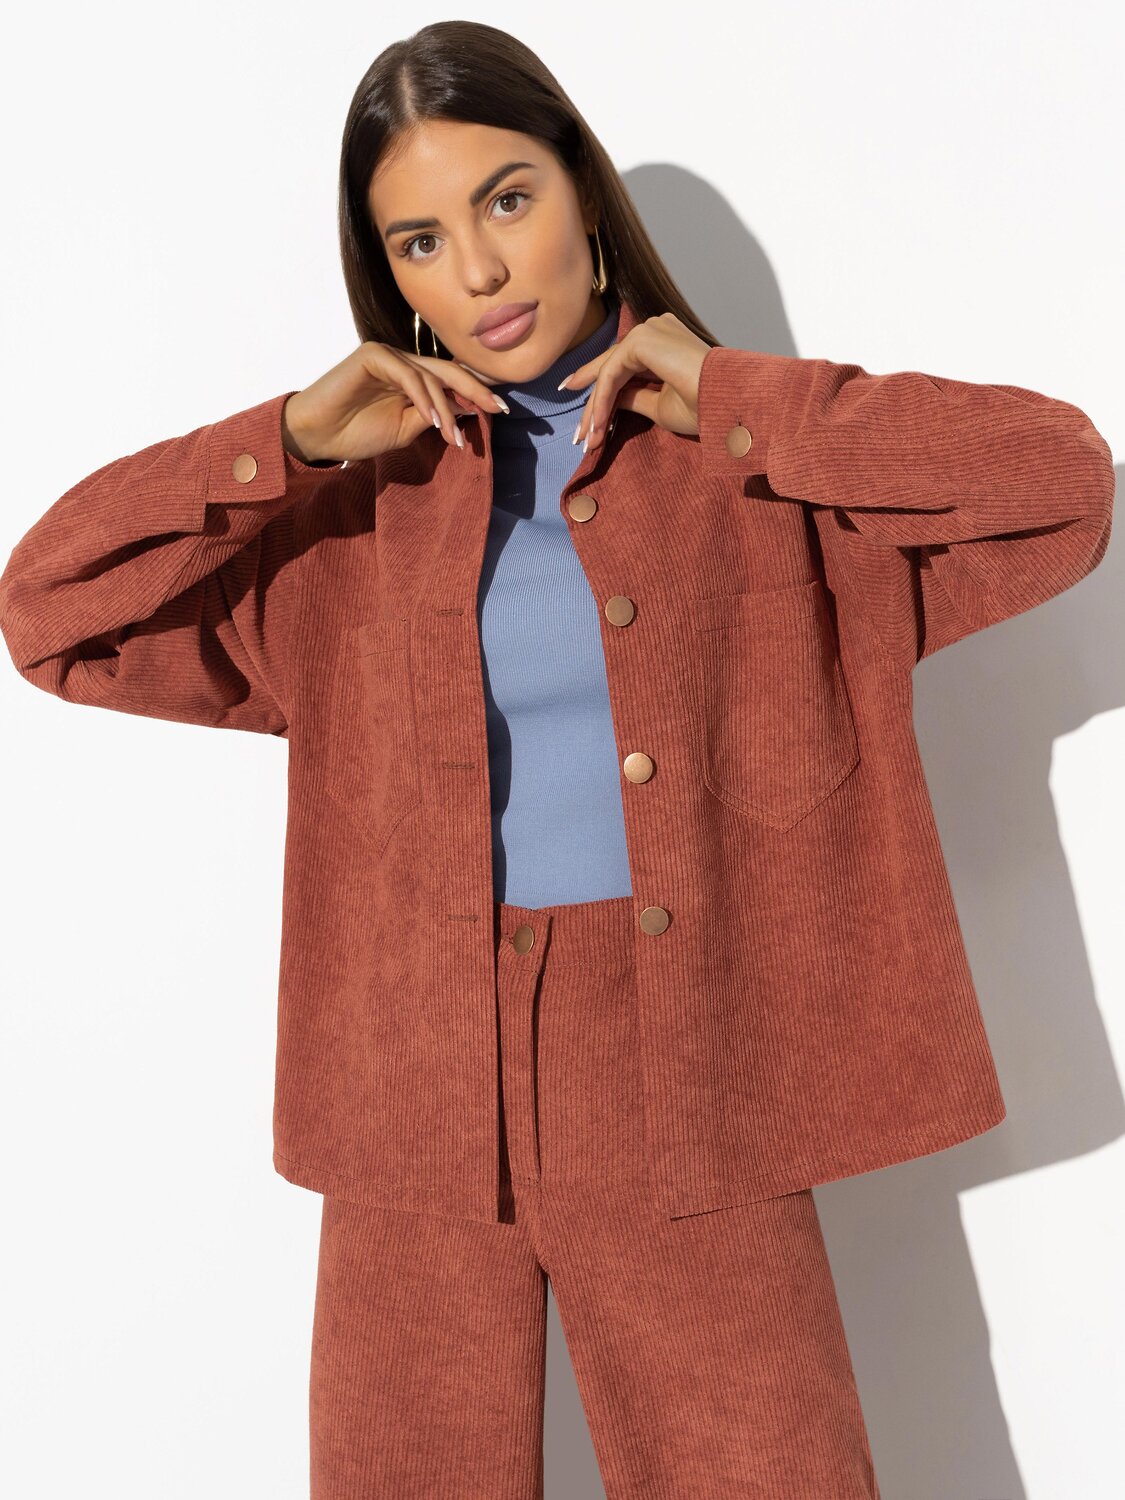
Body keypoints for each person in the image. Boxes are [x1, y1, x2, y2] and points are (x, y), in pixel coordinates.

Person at [0, 19, 1114, 1500]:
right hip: (407, 1078)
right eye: (419, 240)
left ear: (583, 194)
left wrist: (744, 400)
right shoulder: (351, 516)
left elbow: (1061, 485)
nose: (477, 271)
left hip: (674, 1059)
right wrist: (284, 442)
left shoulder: (748, 474)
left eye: (506, 200)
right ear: (387, 274)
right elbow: (49, 610)